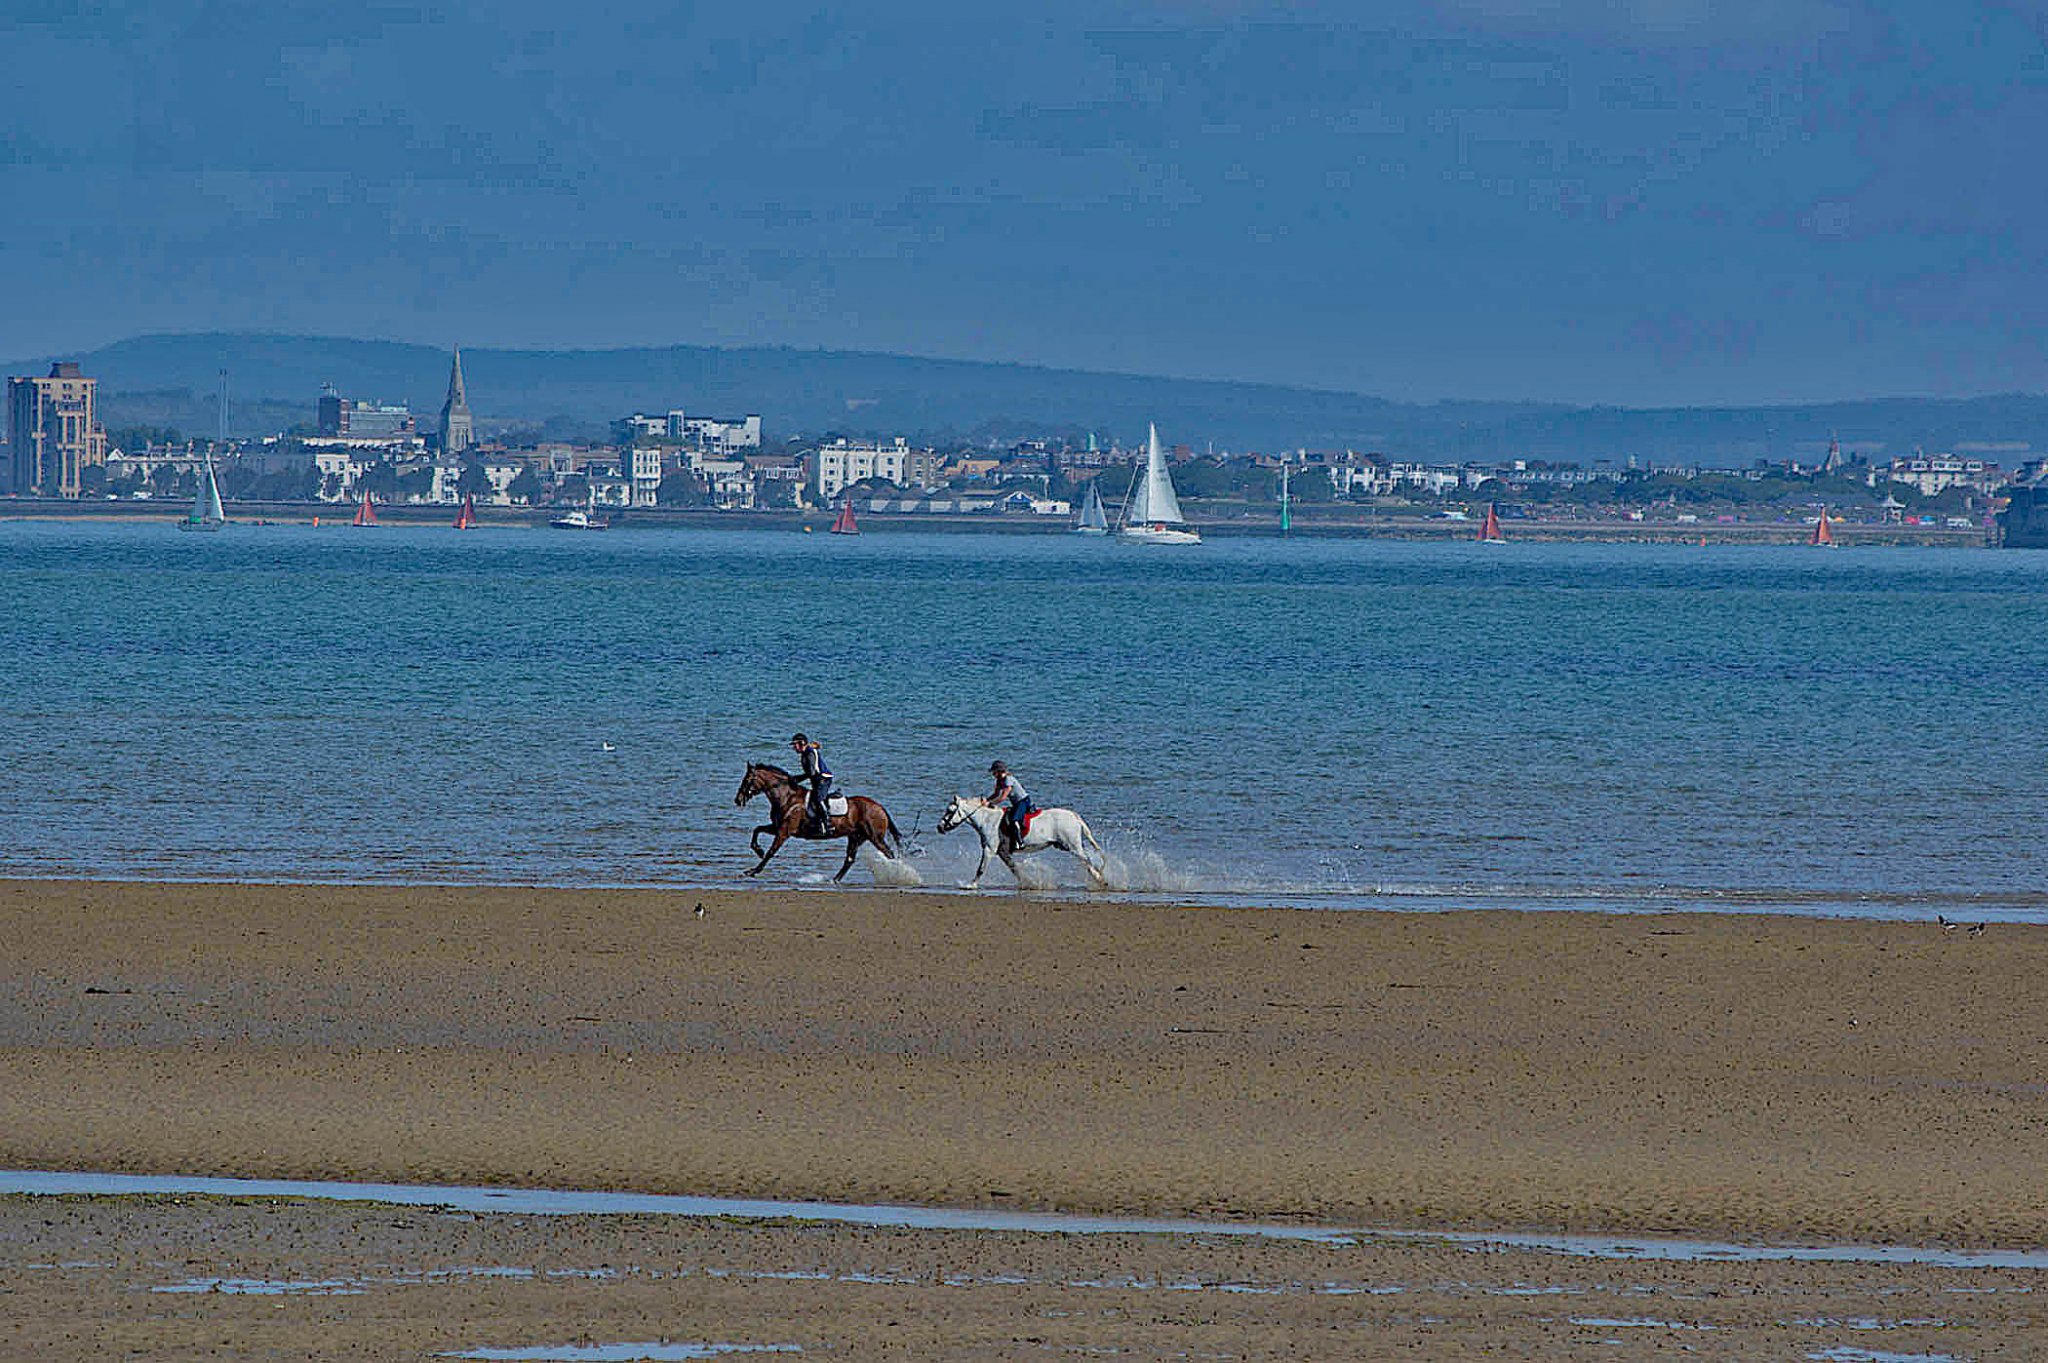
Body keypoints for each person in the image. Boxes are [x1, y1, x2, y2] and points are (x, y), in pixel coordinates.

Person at [790, 733, 839, 835]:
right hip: (816, 780)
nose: (794, 748)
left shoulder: (810, 753)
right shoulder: (805, 753)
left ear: (801, 743)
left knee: (818, 799)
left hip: (823, 779)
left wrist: (798, 778)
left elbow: (813, 772)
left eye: (795, 745)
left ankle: (828, 824)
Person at [987, 760, 1034, 843]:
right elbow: (996, 794)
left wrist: (991, 803)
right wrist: (986, 800)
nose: (993, 774)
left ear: (999, 771)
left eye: (994, 772)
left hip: (1023, 801)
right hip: (1016, 803)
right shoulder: (999, 780)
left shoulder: (1008, 780)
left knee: (1014, 820)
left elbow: (1003, 797)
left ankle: (1020, 842)